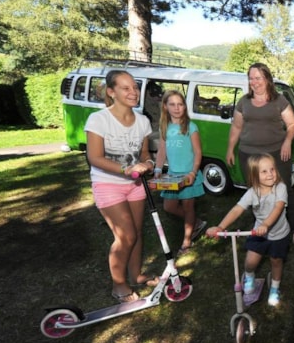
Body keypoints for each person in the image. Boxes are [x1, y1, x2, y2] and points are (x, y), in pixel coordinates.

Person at [84, 70, 157, 303]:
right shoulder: (99, 120)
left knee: (136, 233)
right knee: (125, 235)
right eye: (125, 88)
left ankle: (136, 275)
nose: (133, 92)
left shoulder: (143, 121)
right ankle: (119, 284)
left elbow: (145, 154)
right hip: (108, 184)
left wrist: (148, 163)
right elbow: (95, 157)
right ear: (111, 92)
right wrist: (126, 169)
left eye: (134, 87)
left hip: (135, 184)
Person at [226, 63, 294, 245]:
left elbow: (292, 125)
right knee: (255, 191)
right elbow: (236, 127)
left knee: (284, 189)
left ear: (267, 79)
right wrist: (230, 149)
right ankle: (261, 226)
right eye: (251, 78)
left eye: (258, 78)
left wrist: (287, 141)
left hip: (276, 154)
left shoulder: (279, 100)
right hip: (248, 155)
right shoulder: (244, 102)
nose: (254, 82)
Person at [207, 153, 290, 306]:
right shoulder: (252, 193)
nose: (270, 174)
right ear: (254, 175)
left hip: (279, 234)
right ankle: (250, 275)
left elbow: (278, 209)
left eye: (272, 169)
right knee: (250, 261)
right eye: (264, 171)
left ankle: (275, 288)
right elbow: (237, 209)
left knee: (276, 261)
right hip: (258, 233)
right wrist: (220, 227)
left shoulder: (280, 188)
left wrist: (266, 224)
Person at [153, 90, 206, 257]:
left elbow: (198, 152)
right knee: (169, 207)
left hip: (189, 175)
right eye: (172, 104)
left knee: (188, 206)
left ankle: (187, 240)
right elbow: (162, 151)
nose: (177, 108)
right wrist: (157, 169)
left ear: (185, 106)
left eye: (180, 104)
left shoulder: (191, 127)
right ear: (165, 107)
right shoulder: (165, 127)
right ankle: (196, 222)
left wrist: (193, 172)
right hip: (172, 175)